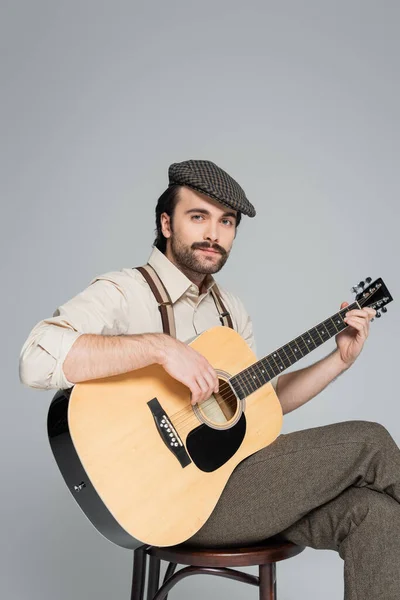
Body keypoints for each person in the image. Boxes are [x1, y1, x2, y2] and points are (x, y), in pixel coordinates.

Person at [19, 159, 399, 600]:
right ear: (166, 222)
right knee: (368, 441)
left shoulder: (230, 312)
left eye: (226, 222)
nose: (213, 234)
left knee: (377, 514)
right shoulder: (124, 292)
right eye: (198, 216)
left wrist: (339, 360)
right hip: (172, 504)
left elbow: (262, 402)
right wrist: (160, 348)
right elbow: (36, 357)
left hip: (236, 490)